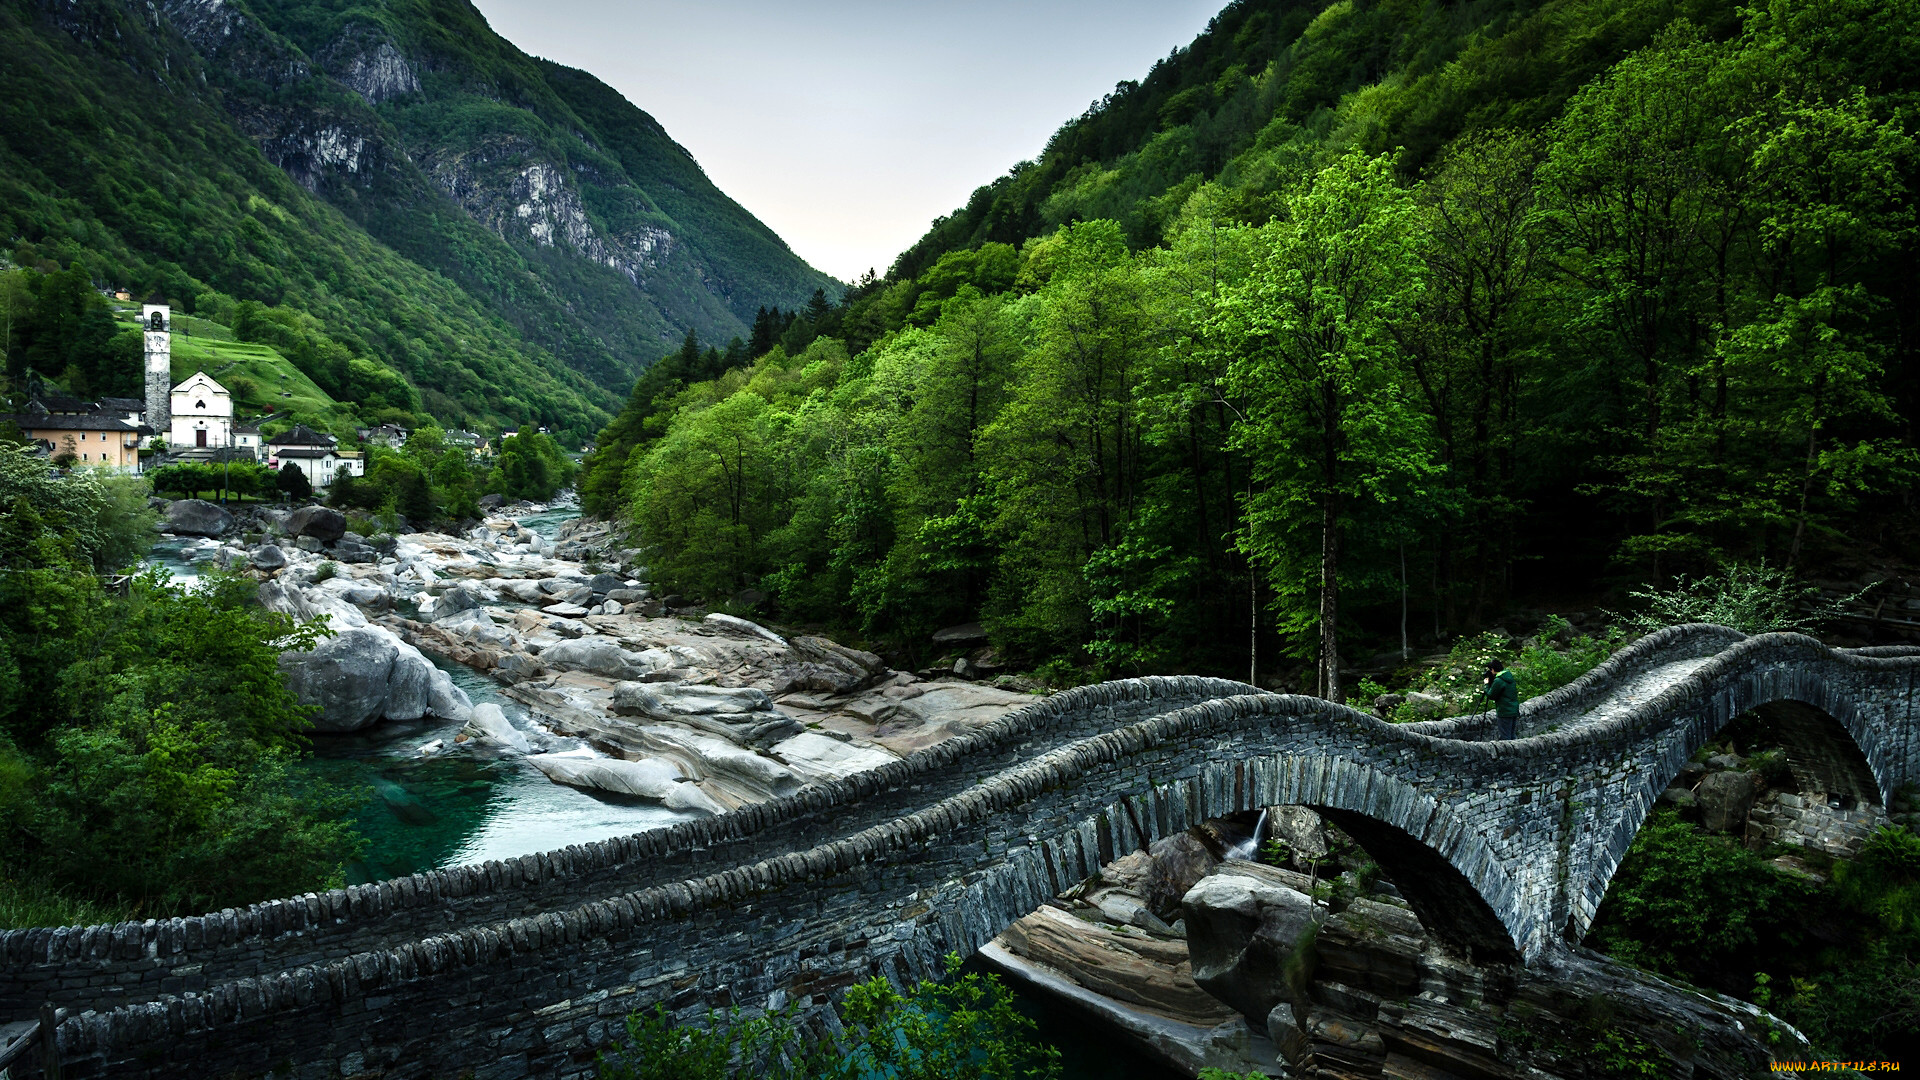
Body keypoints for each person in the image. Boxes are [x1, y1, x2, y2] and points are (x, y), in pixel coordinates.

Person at [1482, 658, 1520, 740]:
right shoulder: (1508, 676)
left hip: (1504, 711)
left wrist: (1486, 685)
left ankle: (1507, 752)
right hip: (1513, 709)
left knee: (1505, 737)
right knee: (1512, 735)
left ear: (1492, 669)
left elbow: (1491, 695)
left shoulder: (1499, 680)